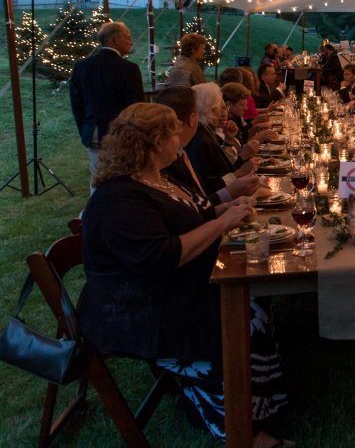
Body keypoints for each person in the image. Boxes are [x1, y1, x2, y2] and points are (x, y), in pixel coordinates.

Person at [78, 103, 287, 443]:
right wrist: (221, 223)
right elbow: (161, 256)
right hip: (140, 308)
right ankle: (238, 426)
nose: (180, 140)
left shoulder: (158, 178)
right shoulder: (119, 199)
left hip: (173, 286)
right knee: (237, 312)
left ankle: (259, 406)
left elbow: (193, 215)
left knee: (255, 300)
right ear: (157, 141)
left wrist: (226, 208)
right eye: (174, 133)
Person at [154, 87, 261, 206]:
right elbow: (205, 192)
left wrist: (229, 141)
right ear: (192, 118)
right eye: (218, 108)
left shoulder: (205, 133)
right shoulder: (196, 142)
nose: (222, 113)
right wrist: (238, 175)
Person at [69, 21, 144, 182]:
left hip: (92, 131)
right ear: (116, 40)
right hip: (118, 133)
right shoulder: (128, 68)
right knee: (123, 176)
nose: (131, 42)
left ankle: (96, 203)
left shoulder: (81, 66)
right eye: (128, 38)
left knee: (97, 175)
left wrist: (85, 129)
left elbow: (77, 104)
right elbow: (136, 107)